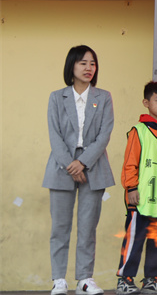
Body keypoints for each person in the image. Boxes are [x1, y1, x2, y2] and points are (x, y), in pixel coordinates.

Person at [44, 45, 115, 295]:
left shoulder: (103, 97)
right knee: (60, 227)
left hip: (93, 166)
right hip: (61, 166)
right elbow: (54, 135)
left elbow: (105, 134)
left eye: (92, 63)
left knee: (88, 227)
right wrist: (71, 164)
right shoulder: (57, 97)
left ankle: (85, 278)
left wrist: (83, 162)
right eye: (83, 63)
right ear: (71, 66)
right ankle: (58, 279)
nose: (88, 68)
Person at [116, 82, 157, 295]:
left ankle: (152, 280)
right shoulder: (139, 131)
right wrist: (131, 188)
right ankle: (125, 280)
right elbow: (130, 163)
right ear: (146, 103)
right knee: (134, 241)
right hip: (141, 199)